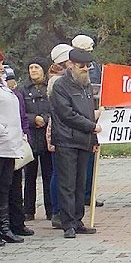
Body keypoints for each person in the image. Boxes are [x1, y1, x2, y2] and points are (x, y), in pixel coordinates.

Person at [49, 48, 101, 238]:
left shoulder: (85, 85)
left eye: (88, 66)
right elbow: (67, 114)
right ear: (70, 65)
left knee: (80, 183)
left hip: (84, 140)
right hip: (66, 140)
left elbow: (89, 111)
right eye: (81, 66)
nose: (85, 69)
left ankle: (78, 220)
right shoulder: (60, 86)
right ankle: (67, 223)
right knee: (67, 183)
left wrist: (93, 138)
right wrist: (91, 127)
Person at [71, 35, 105, 208]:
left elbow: (98, 87)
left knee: (91, 159)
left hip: (93, 115)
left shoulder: (94, 67)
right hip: (80, 121)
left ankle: (88, 194)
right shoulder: (70, 73)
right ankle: (81, 196)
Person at [21, 57, 53, 222]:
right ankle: (28, 210)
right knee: (30, 176)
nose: (33, 70)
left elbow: (55, 108)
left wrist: (45, 119)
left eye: (36, 67)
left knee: (49, 175)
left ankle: (51, 209)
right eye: (31, 67)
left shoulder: (50, 88)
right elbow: (21, 112)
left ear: (43, 70)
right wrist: (34, 119)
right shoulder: (24, 90)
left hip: (47, 137)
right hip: (31, 137)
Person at [46, 43, 74, 229]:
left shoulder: (65, 78)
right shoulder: (57, 81)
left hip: (65, 129)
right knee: (59, 172)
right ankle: (56, 210)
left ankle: (63, 209)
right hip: (59, 129)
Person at [0, 56, 26, 246]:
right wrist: (4, 131)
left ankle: (4, 228)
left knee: (4, 187)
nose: (2, 66)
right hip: (2, 140)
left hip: (9, 145)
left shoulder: (3, 84)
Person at [6, 66, 34, 238]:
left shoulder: (16, 96)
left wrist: (25, 135)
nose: (11, 83)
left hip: (18, 143)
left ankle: (18, 222)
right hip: (6, 144)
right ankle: (7, 223)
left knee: (17, 186)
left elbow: (23, 117)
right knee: (6, 187)